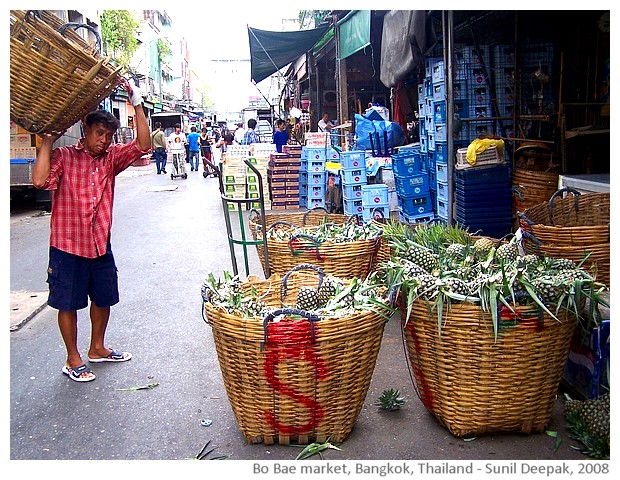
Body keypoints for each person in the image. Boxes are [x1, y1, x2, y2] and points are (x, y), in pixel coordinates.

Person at [31, 79, 150, 383]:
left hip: (99, 244)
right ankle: (72, 358)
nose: (105, 141)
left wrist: (136, 103)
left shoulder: (111, 159)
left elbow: (143, 145)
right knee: (67, 303)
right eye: (100, 134)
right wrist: (47, 141)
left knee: (104, 297)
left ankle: (97, 347)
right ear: (86, 131)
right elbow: (40, 181)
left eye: (109, 136)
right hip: (67, 245)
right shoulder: (65, 157)